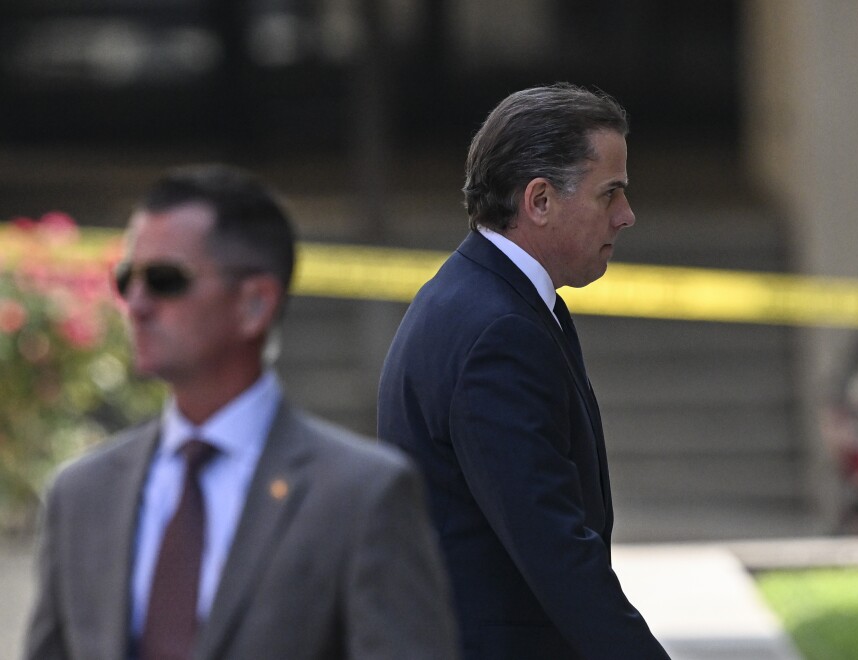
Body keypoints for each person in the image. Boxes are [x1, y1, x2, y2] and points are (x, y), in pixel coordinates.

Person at [25, 164, 459, 660]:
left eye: (165, 280)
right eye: (126, 279)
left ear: (255, 303)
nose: (137, 303)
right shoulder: (82, 495)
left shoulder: (361, 495)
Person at [377, 83, 669, 659]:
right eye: (609, 194)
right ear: (539, 200)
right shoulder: (498, 330)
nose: (627, 215)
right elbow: (555, 549)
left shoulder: (485, 297)